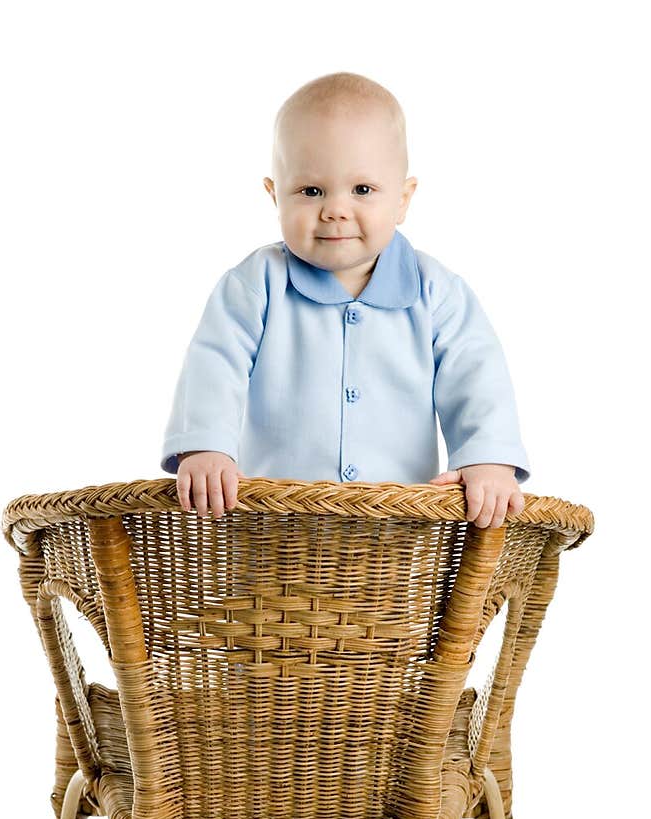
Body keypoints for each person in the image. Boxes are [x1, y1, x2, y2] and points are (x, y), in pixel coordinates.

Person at [160, 71, 529, 529]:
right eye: (310, 191)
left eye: (362, 190)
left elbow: (477, 374)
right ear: (274, 195)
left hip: (400, 530)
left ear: (402, 199)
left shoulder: (437, 291)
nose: (335, 209)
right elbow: (214, 363)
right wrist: (207, 446)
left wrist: (488, 460)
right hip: (272, 524)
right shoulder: (256, 283)